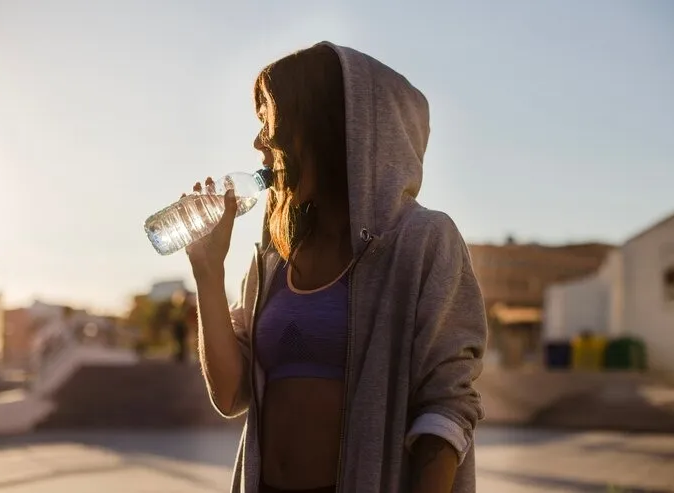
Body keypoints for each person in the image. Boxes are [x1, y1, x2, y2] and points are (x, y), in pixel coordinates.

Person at [185, 42, 487, 493]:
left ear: (329, 128)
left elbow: (446, 406)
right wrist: (209, 273)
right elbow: (229, 396)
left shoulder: (423, 241)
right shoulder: (275, 257)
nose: (258, 142)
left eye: (269, 120)